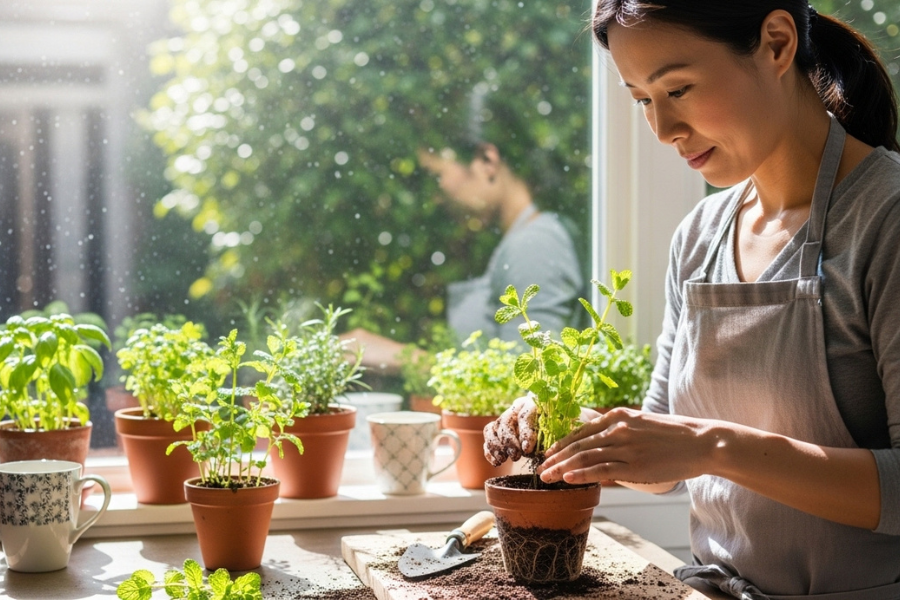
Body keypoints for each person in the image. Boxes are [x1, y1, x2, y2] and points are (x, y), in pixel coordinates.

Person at [484, 1, 900, 597]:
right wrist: (581, 427)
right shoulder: (700, 236)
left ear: (777, 43)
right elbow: (664, 465)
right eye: (642, 99)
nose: (661, 129)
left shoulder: (886, 219)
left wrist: (713, 445)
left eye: (678, 88)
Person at [343, 141, 584, 374]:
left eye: (438, 175)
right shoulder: (522, 239)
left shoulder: (535, 244)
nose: (437, 197)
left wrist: (404, 359)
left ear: (487, 162)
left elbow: (531, 378)